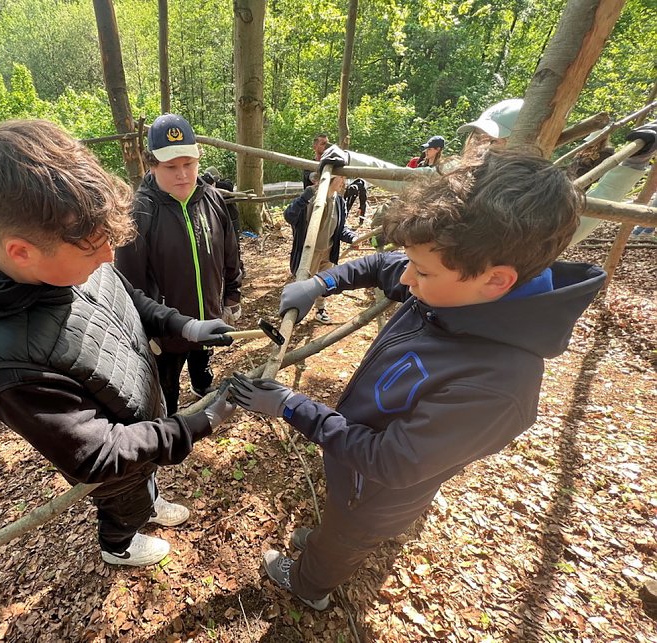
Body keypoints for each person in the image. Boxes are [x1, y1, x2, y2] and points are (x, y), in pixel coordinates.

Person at [228, 150, 607, 611]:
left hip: (379, 491)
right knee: (340, 522)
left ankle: (311, 582)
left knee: (348, 534)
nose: (406, 278)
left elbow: (392, 462)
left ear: (496, 281)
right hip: (355, 469)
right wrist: (321, 285)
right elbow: (379, 265)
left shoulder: (497, 388)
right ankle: (331, 539)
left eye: (422, 272)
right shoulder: (454, 284)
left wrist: (293, 407)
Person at [0, 119, 237, 567]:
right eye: (93, 250)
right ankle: (119, 544)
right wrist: (202, 421)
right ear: (22, 251)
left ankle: (149, 504)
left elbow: (125, 296)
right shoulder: (5, 360)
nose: (109, 258)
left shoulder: (69, 246)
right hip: (117, 459)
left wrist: (183, 326)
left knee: (144, 479)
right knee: (123, 497)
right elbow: (99, 455)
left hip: (140, 415)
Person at [319, 102, 657, 246]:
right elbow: (399, 176)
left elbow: (586, 217)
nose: (479, 143)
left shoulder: (534, 195)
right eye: (476, 135)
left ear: (523, 143)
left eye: (491, 138)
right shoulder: (458, 171)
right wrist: (347, 156)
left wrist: (632, 165)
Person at [115, 114, 243, 413]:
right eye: (171, 166)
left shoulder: (212, 199)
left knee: (202, 356)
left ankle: (201, 384)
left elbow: (230, 253)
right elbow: (129, 283)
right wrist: (146, 330)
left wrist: (232, 296)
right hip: (166, 331)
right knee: (166, 385)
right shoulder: (140, 212)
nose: (182, 174)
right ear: (152, 164)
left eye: (189, 164)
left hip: (207, 314)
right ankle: (169, 420)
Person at [283, 174, 358, 323]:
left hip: (328, 250)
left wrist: (352, 237)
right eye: (341, 178)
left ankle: (320, 309)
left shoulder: (339, 201)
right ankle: (293, 312)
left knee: (324, 282)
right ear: (330, 178)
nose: (343, 182)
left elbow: (342, 228)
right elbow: (289, 216)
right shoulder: (310, 199)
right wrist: (304, 197)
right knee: (303, 285)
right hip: (309, 252)